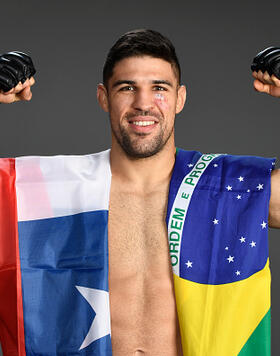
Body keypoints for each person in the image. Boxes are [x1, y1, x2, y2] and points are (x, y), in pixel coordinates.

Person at [0, 29, 280, 356]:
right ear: (104, 97)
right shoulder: (48, 188)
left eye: (159, 88)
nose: (143, 103)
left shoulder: (227, 188)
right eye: (127, 87)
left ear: (180, 98)